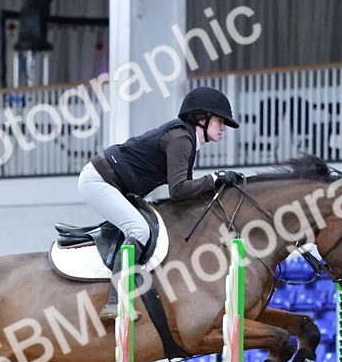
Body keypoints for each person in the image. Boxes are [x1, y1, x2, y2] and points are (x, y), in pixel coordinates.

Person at [78, 86, 244, 319]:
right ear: (201, 118)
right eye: (220, 121)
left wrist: (214, 182)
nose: (224, 128)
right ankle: (115, 300)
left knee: (146, 226)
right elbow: (178, 190)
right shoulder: (181, 139)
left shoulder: (187, 139)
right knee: (139, 229)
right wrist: (214, 178)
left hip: (115, 184)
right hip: (99, 181)